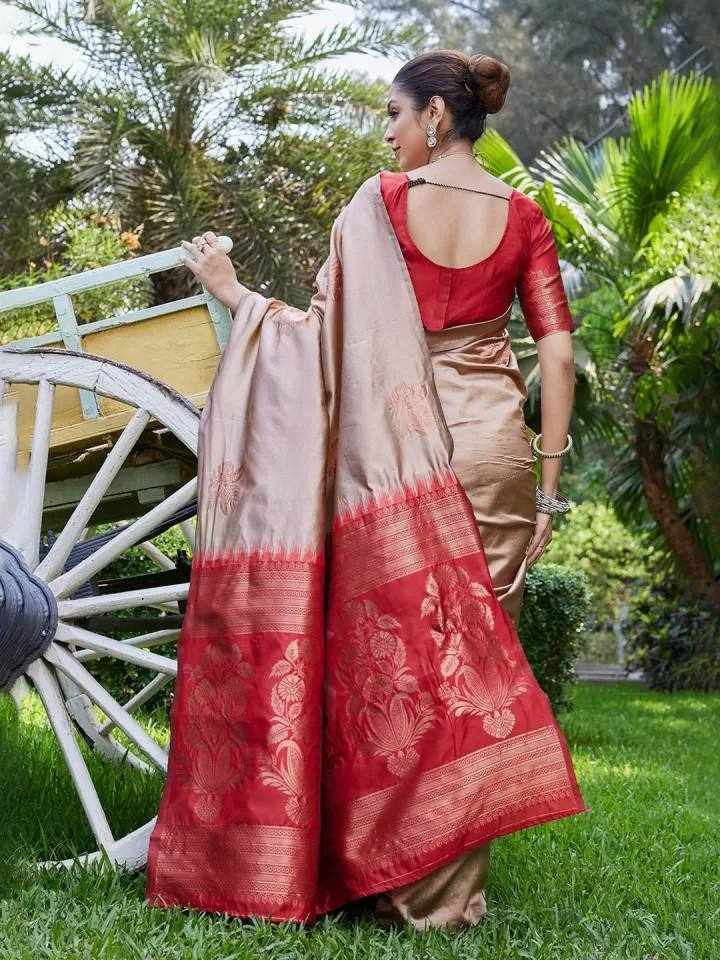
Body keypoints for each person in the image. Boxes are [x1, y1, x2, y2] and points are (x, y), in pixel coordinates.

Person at [146, 48, 587, 931]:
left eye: (394, 114)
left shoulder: (379, 207)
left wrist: (238, 297)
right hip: (494, 453)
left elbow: (321, 338)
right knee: (470, 674)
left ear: (435, 116)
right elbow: (558, 353)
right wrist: (546, 486)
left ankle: (387, 872)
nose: (387, 133)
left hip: (392, 450)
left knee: (396, 665)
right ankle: (446, 897)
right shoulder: (524, 216)